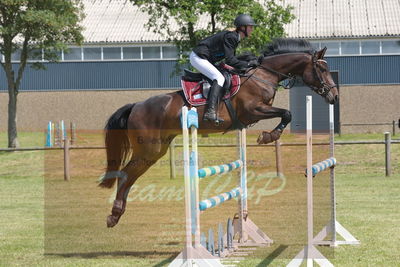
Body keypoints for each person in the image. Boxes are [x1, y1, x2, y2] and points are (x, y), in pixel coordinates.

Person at [190, 14, 257, 123]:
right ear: (242, 28)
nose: (252, 29)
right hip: (198, 57)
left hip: (206, 58)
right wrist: (248, 64)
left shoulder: (235, 38)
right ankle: (210, 112)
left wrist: (247, 63)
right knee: (219, 78)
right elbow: (231, 60)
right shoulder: (231, 37)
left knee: (225, 75)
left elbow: (230, 61)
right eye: (250, 27)